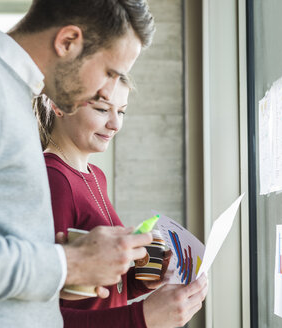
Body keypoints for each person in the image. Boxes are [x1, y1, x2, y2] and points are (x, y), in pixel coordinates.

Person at [0, 1, 156, 327]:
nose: (104, 90)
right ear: (68, 42)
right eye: (109, 72)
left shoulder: (11, 93)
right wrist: (71, 263)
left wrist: (80, 269)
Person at [35, 76, 208, 328]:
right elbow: (37, 314)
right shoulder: (53, 180)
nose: (115, 124)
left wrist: (139, 281)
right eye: (102, 109)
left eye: (122, 111)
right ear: (59, 105)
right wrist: (142, 317)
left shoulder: (96, 176)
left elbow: (86, 294)